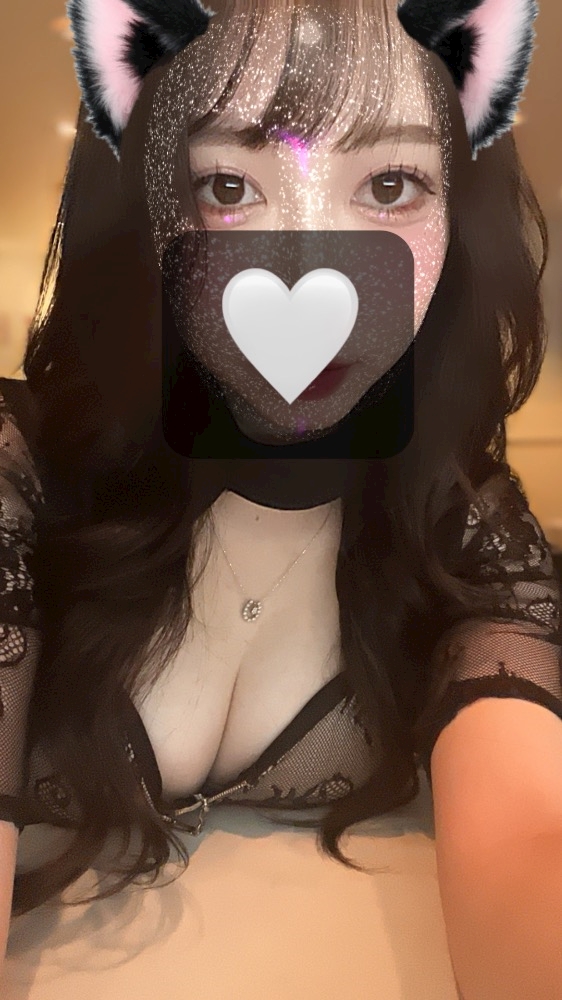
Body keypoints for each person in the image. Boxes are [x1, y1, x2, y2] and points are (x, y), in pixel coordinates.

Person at [1, 0, 561, 988]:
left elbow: (531, 839)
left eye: (389, 184)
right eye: (228, 185)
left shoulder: (459, 517)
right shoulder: (19, 470)